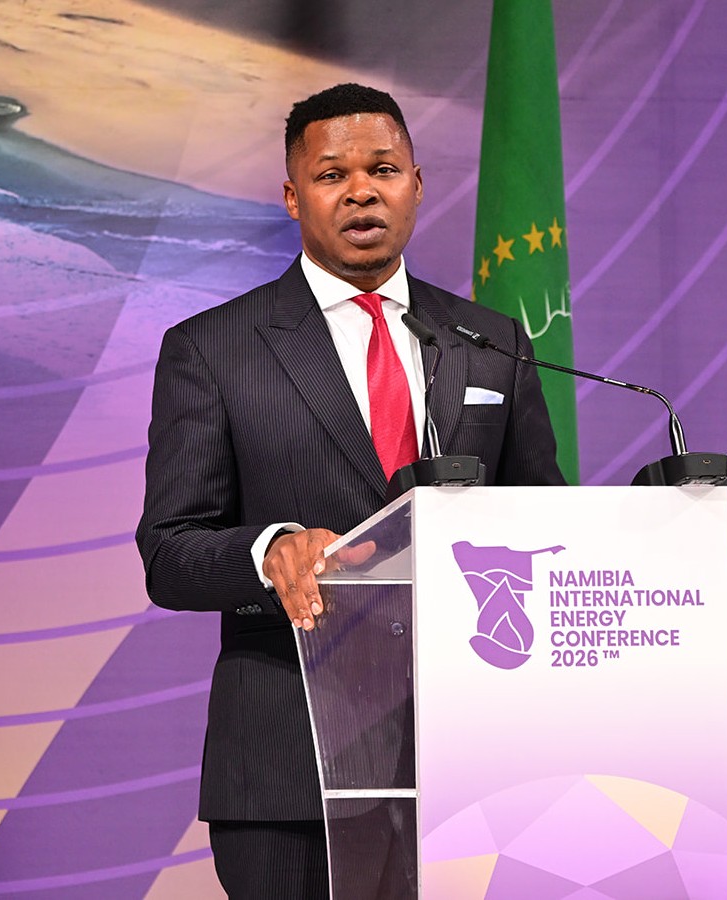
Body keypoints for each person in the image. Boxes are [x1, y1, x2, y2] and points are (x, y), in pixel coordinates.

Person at [136, 82, 564, 898]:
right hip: (291, 767)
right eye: (332, 175)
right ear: (294, 197)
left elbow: (540, 512)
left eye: (385, 168)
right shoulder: (214, 349)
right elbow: (170, 553)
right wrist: (267, 553)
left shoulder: (488, 341)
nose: (362, 189)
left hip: (471, 758)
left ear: (416, 185)